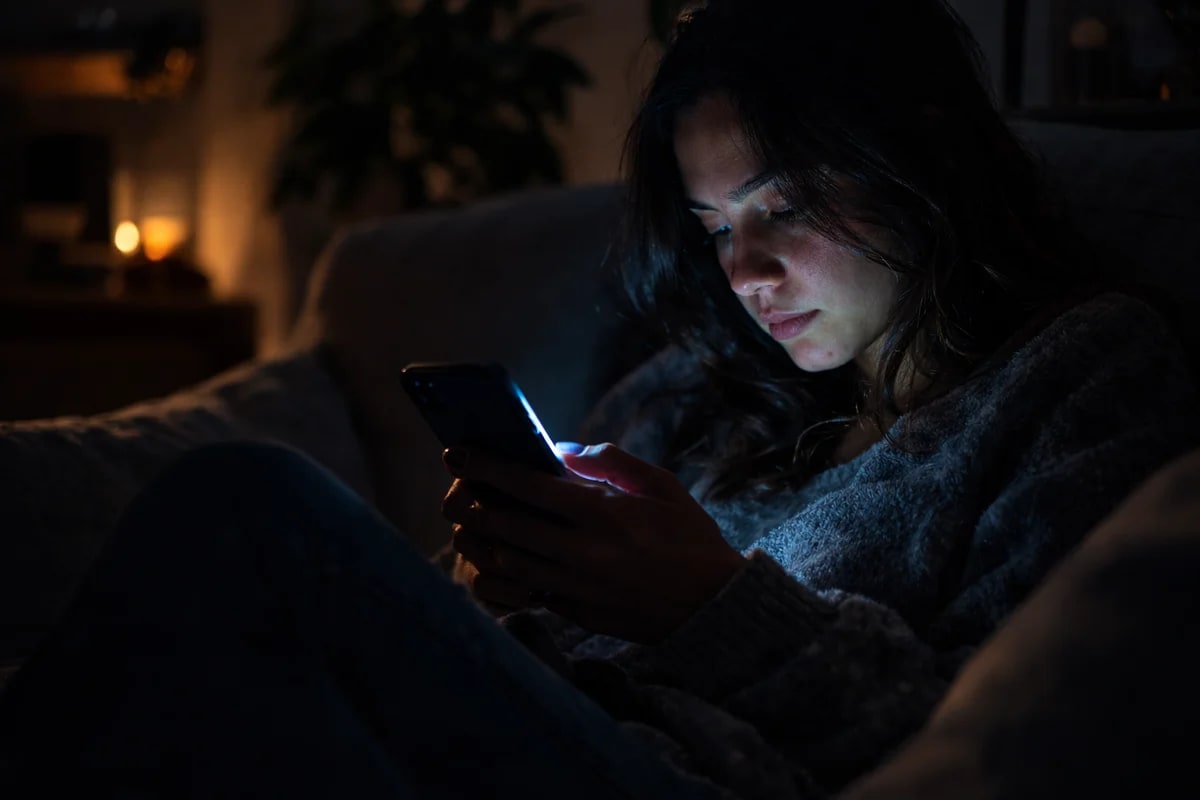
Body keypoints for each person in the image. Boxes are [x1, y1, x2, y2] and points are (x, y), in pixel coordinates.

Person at [1, 0, 1197, 797]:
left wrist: (706, 604)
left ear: (923, 165)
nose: (745, 270)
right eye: (718, 225)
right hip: (491, 735)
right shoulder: (701, 391)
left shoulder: (1083, 377)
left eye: (783, 203)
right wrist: (488, 578)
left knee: (250, 505)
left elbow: (1004, 742)